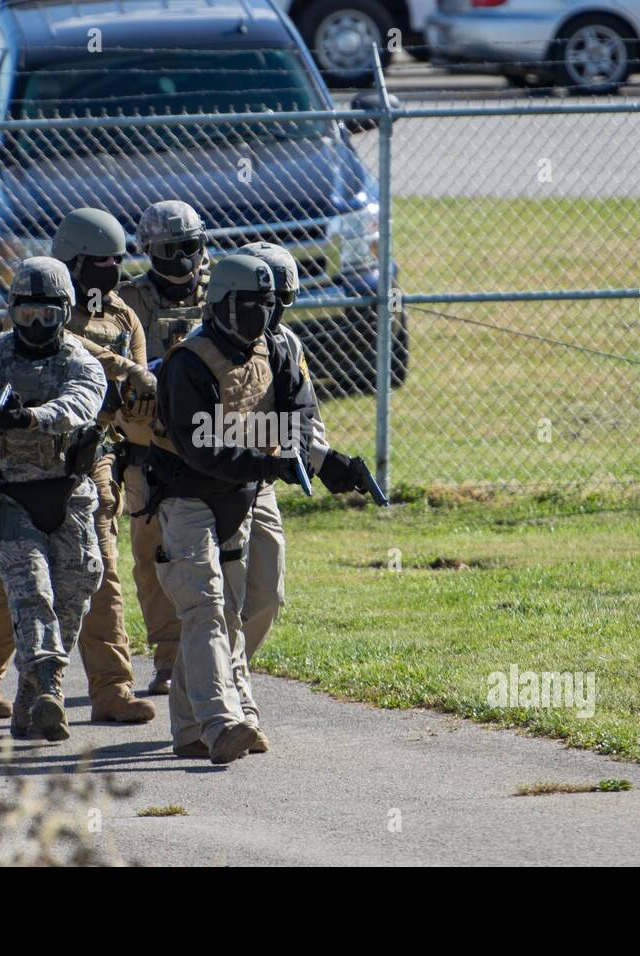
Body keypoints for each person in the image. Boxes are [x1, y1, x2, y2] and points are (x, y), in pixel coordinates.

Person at [0, 208, 157, 725]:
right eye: (96, 263)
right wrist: (8, 412)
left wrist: (133, 429)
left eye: (116, 262)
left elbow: (123, 384)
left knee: (95, 574)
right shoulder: (30, 312)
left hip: (88, 463)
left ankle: (109, 689)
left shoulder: (122, 317)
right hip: (14, 478)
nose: (109, 272)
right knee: (13, 584)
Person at [146, 254, 317, 765]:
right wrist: (271, 463)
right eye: (249, 305)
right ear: (220, 305)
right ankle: (225, 721)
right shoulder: (188, 362)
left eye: (268, 305)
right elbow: (203, 447)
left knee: (258, 603)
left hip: (242, 495)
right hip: (189, 498)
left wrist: (301, 455)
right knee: (205, 609)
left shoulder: (277, 349)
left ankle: (190, 728)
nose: (261, 316)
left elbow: (300, 413)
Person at [0, 256, 106, 741]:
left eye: (48, 315)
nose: (36, 326)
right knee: (31, 589)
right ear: (11, 311)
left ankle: (30, 701)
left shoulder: (80, 358)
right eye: (26, 315)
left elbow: (83, 401)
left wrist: (36, 418)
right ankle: (48, 684)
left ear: (66, 313)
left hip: (68, 492)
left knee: (81, 580)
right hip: (10, 494)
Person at [235, 241, 372, 663]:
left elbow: (302, 414)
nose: (271, 312)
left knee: (268, 594)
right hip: (205, 483)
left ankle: (227, 672)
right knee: (212, 605)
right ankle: (213, 690)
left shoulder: (288, 344)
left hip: (260, 482)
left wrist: (325, 461)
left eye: (280, 301)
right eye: (261, 300)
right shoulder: (208, 344)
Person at [117, 200, 211, 695]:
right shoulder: (128, 301)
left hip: (215, 446)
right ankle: (171, 658)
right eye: (165, 251)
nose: (179, 260)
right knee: (154, 555)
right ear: (147, 251)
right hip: (149, 452)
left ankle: (219, 657)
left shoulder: (226, 292)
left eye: (188, 248)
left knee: (222, 555)